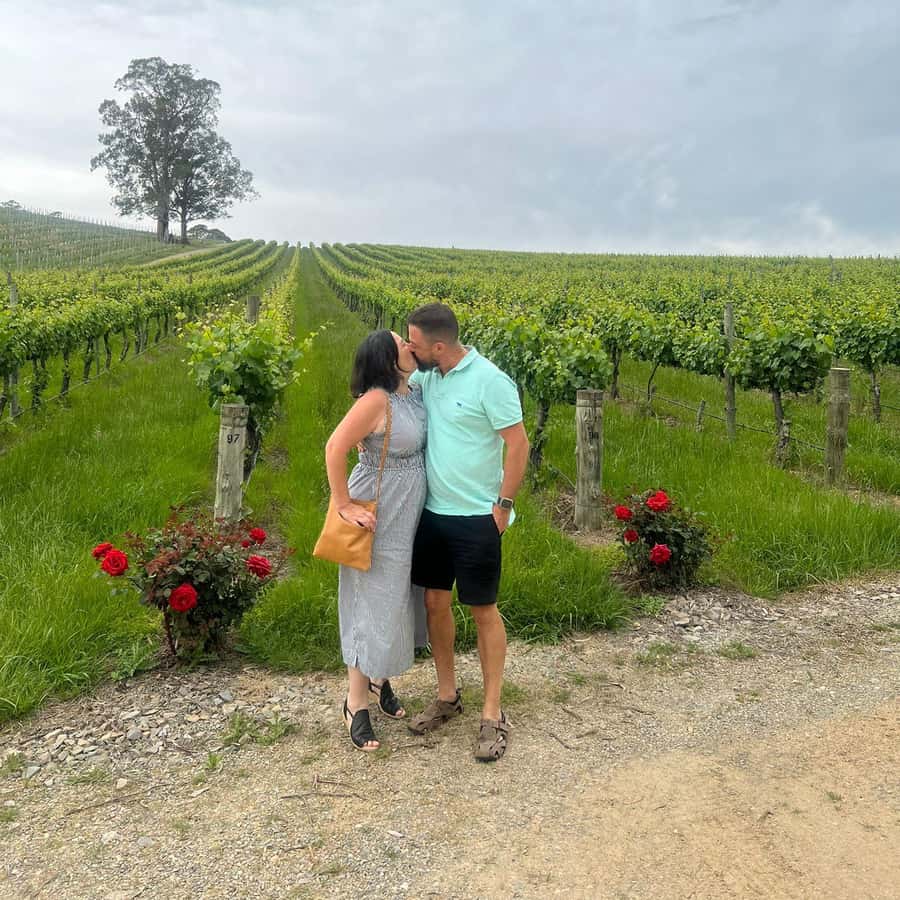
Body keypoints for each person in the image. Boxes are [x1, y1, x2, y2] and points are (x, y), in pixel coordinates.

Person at [404, 303, 529, 762]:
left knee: (482, 610)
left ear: (439, 346)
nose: (410, 350)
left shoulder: (491, 381)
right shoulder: (428, 378)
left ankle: (492, 713)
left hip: (478, 517)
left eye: (414, 343)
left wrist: (503, 506)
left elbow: (518, 444)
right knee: (434, 604)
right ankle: (447, 696)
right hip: (432, 514)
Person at [324, 330, 427, 751]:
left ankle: (380, 679)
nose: (409, 345)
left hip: (409, 511)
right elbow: (335, 447)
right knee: (369, 599)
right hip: (379, 510)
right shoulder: (376, 400)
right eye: (401, 343)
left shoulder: (413, 393)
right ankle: (355, 702)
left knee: (399, 596)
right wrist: (343, 505)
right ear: (386, 359)